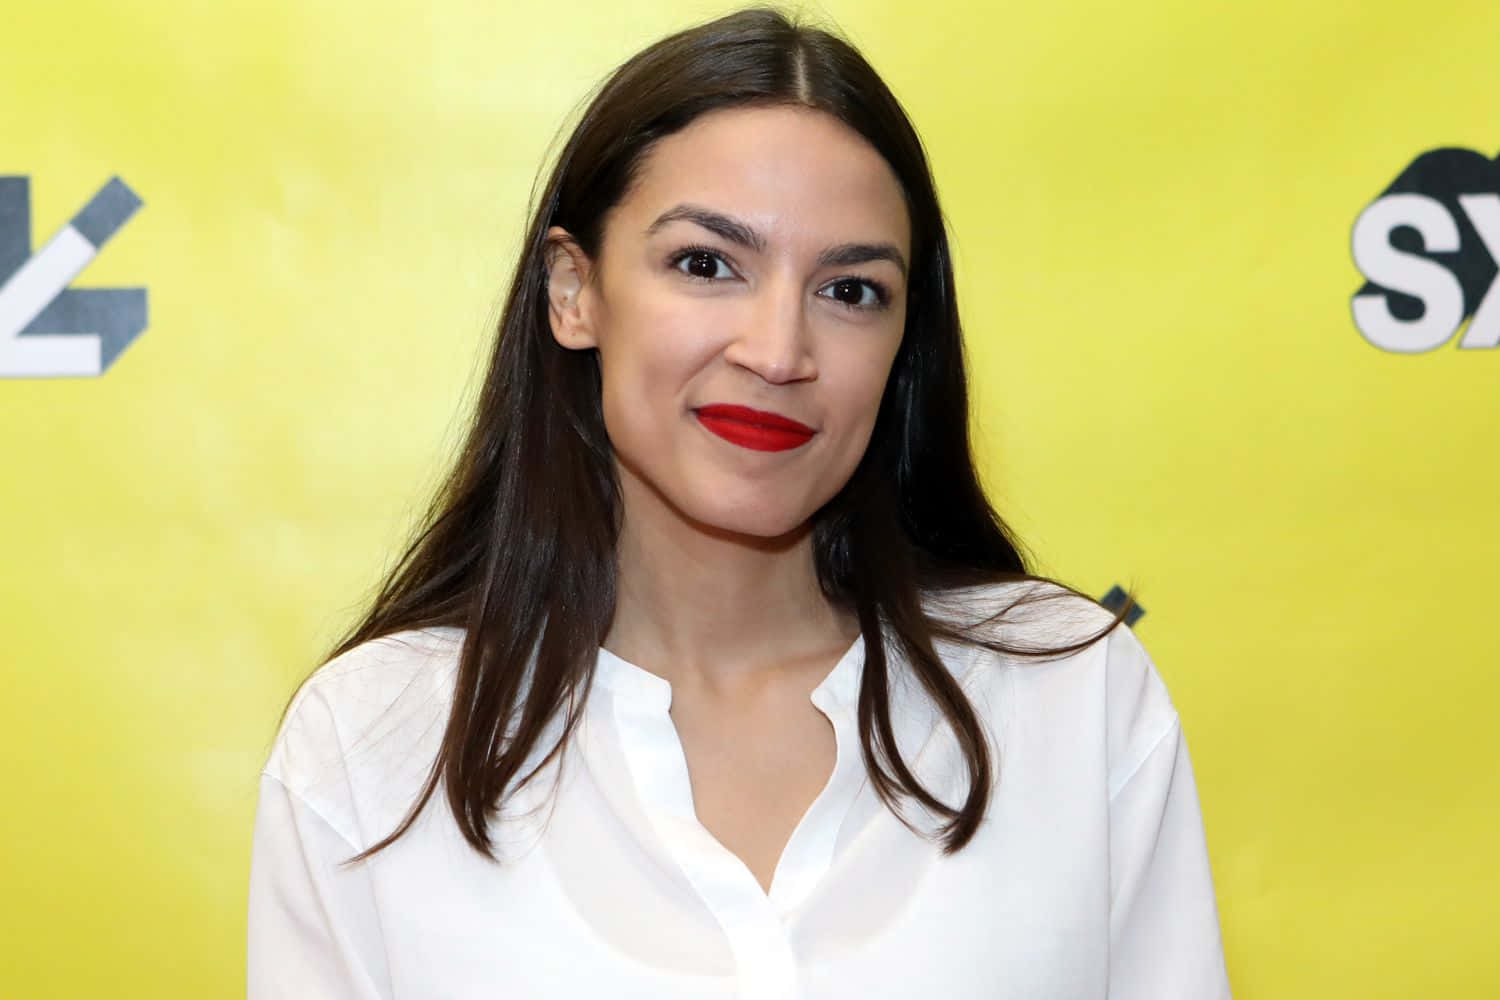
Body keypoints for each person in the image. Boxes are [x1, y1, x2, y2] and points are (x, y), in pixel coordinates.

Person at [247, 7, 1232, 998]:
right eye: (707, 264)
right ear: (572, 290)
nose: (778, 351)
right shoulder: (373, 744)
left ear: (904, 345)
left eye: (849, 290)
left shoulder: (1070, 695)